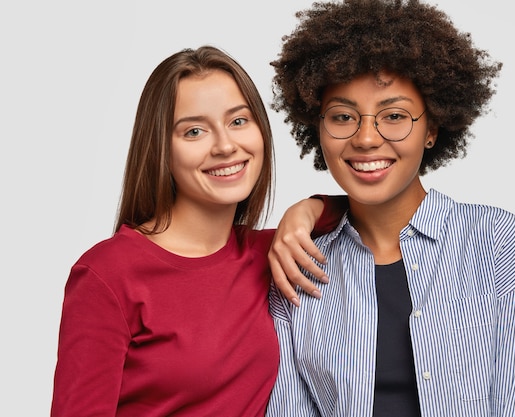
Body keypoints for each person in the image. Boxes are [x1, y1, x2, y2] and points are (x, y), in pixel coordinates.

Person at [266, 1, 515, 416]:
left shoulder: (497, 243)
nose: (366, 138)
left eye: (395, 115)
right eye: (344, 116)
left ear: (432, 129)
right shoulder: (298, 262)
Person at [50, 45, 341, 417]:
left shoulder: (268, 252)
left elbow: (367, 206)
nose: (225, 146)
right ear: (161, 149)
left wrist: (305, 210)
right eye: (194, 131)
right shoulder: (107, 274)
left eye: (238, 121)